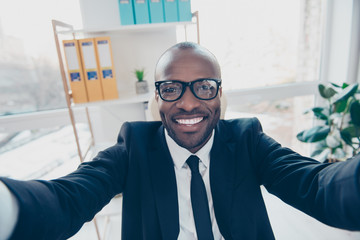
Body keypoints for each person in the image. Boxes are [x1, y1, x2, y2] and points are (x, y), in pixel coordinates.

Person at [1, 41, 360, 240]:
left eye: (204, 87)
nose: (188, 102)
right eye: (171, 88)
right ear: (156, 98)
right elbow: (68, 199)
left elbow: (315, 186)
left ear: (220, 95)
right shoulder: (134, 147)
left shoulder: (247, 139)